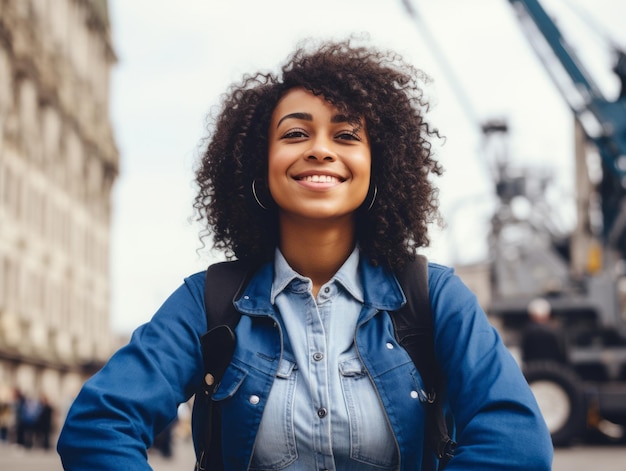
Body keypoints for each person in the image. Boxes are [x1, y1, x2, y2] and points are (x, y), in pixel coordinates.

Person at [57, 38, 553, 470]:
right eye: (295, 133)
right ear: (259, 163)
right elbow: (98, 425)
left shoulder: (433, 296)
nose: (320, 149)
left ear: (376, 165)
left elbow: (517, 442)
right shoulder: (207, 303)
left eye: (345, 136)